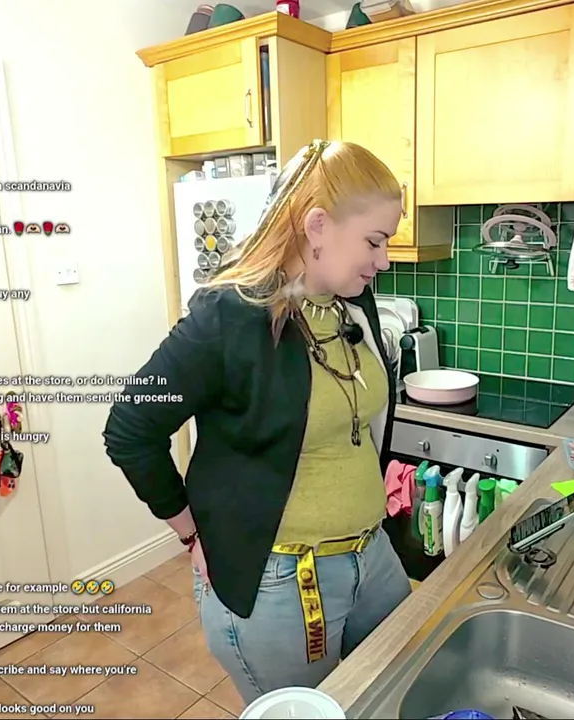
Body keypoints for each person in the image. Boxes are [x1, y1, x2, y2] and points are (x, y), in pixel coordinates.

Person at [103, 140, 412, 704]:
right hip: (283, 584)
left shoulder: (350, 301)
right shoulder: (228, 316)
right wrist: (192, 534)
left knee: (393, 696)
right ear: (317, 226)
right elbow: (129, 429)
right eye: (374, 241)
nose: (384, 259)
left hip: (373, 557)